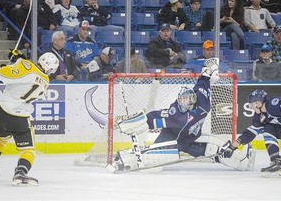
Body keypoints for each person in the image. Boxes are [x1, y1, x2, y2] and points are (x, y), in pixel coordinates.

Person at [113, 58, 254, 172]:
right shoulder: (175, 114)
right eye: (180, 99)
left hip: (191, 139)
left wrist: (212, 68)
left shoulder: (203, 102)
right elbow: (153, 118)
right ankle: (124, 160)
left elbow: (203, 81)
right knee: (152, 161)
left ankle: (242, 162)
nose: (182, 103)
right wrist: (136, 122)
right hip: (171, 138)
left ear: (193, 99)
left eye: (185, 100)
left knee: (216, 149)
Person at [0, 49, 59, 186]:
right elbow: (28, 75)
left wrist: (8, 65)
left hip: (1, 110)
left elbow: (4, 75)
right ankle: (20, 173)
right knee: (28, 150)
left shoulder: (26, 65)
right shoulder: (46, 81)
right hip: (19, 117)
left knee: (0, 139)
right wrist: (19, 59)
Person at [219, 89, 281, 176]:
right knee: (268, 129)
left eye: (252, 104)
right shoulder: (259, 117)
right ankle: (276, 161)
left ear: (258, 103)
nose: (251, 107)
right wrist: (232, 147)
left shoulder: (273, 104)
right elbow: (249, 133)